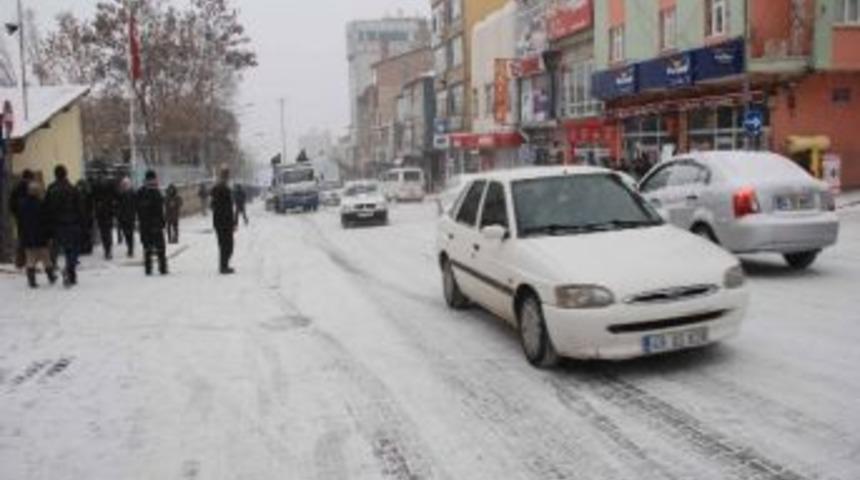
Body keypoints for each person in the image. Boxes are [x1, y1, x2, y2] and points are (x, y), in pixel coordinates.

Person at [45, 165, 83, 287]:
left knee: (63, 248)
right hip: (72, 223)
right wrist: (82, 222)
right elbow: (79, 208)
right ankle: (69, 270)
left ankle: (68, 274)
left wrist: (49, 226)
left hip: (57, 225)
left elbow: (47, 208)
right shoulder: (72, 188)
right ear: (66, 174)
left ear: (55, 175)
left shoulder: (51, 189)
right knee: (73, 249)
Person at [18, 182, 57, 288]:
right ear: (37, 192)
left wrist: (21, 235)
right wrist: (50, 235)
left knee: (30, 259)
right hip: (41, 236)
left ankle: (32, 280)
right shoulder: (41, 204)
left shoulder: (22, 205)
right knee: (46, 257)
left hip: (27, 236)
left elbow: (20, 222)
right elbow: (47, 221)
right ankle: (51, 276)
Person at [136, 170, 168, 276]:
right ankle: (159, 268)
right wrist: (162, 223)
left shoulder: (143, 192)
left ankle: (152, 268)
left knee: (150, 248)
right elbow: (159, 210)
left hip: (148, 224)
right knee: (157, 248)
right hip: (153, 224)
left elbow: (138, 209)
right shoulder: (153, 192)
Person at [211, 167, 237, 274]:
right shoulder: (220, 189)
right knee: (225, 245)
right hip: (222, 222)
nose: (227, 178)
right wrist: (231, 222)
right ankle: (223, 267)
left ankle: (224, 265)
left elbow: (229, 208)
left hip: (223, 222)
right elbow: (222, 208)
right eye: (226, 175)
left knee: (227, 245)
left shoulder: (225, 188)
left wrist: (233, 221)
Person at [9, 169, 35, 269]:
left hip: (20, 218)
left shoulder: (16, 188)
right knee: (29, 240)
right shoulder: (28, 188)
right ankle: (26, 261)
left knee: (22, 238)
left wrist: (17, 214)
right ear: (28, 178)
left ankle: (20, 261)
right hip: (29, 218)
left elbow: (11, 204)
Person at [92, 175, 116, 260]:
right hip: (104, 214)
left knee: (106, 233)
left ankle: (107, 250)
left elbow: (94, 199)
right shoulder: (102, 187)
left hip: (105, 214)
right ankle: (107, 250)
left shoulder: (98, 187)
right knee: (106, 232)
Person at [116, 177, 137, 257]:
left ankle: (130, 249)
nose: (124, 186)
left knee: (130, 233)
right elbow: (119, 205)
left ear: (129, 184)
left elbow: (135, 205)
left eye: (126, 184)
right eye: (123, 184)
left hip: (130, 217)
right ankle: (129, 247)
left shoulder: (133, 193)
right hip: (123, 218)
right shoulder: (121, 194)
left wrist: (135, 214)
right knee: (126, 234)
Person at [77, 178, 95, 255]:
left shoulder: (87, 194)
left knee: (86, 233)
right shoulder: (87, 193)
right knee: (85, 233)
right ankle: (86, 248)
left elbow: (90, 206)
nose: (79, 187)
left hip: (85, 216)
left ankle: (86, 248)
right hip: (84, 216)